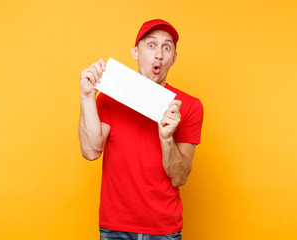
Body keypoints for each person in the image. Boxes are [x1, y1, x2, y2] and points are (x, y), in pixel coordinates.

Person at [79, 19, 204, 240]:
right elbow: (91, 151)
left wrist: (167, 138)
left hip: (163, 229)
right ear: (135, 52)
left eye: (167, 47)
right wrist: (87, 96)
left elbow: (180, 177)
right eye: (151, 45)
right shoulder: (109, 98)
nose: (159, 54)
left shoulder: (189, 106)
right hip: (115, 226)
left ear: (173, 58)